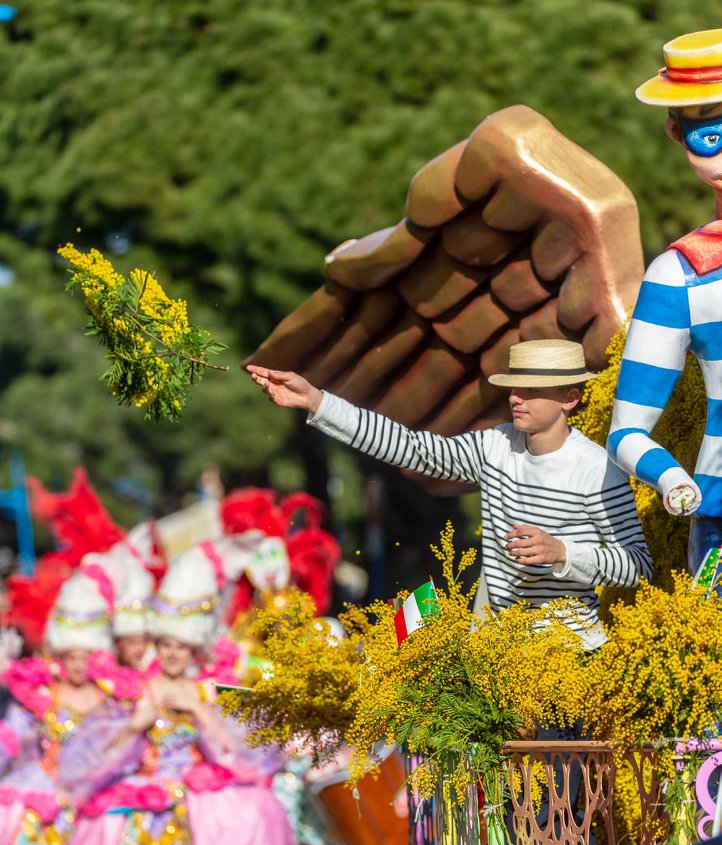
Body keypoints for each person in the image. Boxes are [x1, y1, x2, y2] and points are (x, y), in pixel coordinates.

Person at [25, 544, 294, 845]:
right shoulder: (133, 689)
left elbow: (243, 758)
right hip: (141, 801)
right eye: (165, 644)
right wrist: (138, 723)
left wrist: (199, 711)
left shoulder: (212, 690)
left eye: (180, 646)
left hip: (192, 804)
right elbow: (93, 755)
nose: (171, 653)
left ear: (194, 649)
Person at [248, 338, 652, 648]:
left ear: (571, 398)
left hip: (571, 656)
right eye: (514, 387)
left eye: (531, 389)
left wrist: (563, 553)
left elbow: (637, 566)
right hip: (496, 652)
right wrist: (317, 402)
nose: (514, 397)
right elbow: (412, 448)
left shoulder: (600, 469)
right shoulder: (493, 445)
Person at [608, 28, 722, 573]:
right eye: (712, 133)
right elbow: (626, 432)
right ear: (678, 133)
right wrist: (672, 476)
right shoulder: (677, 276)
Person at [0, 571, 121, 845]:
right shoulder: (39, 697)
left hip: (87, 802)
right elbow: (10, 739)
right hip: (41, 797)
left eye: (83, 657)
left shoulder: (110, 701)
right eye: (68, 656)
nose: (76, 665)